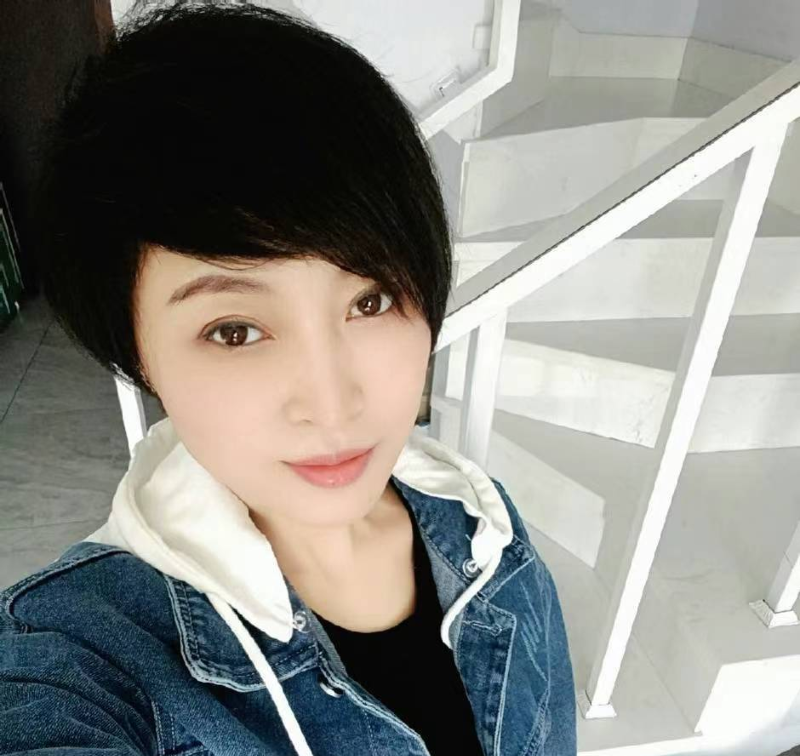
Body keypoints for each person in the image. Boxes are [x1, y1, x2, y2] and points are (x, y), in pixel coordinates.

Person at [0, 2, 577, 754]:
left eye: (371, 300)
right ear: (138, 351)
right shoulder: (80, 655)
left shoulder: (486, 533)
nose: (332, 403)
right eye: (235, 331)